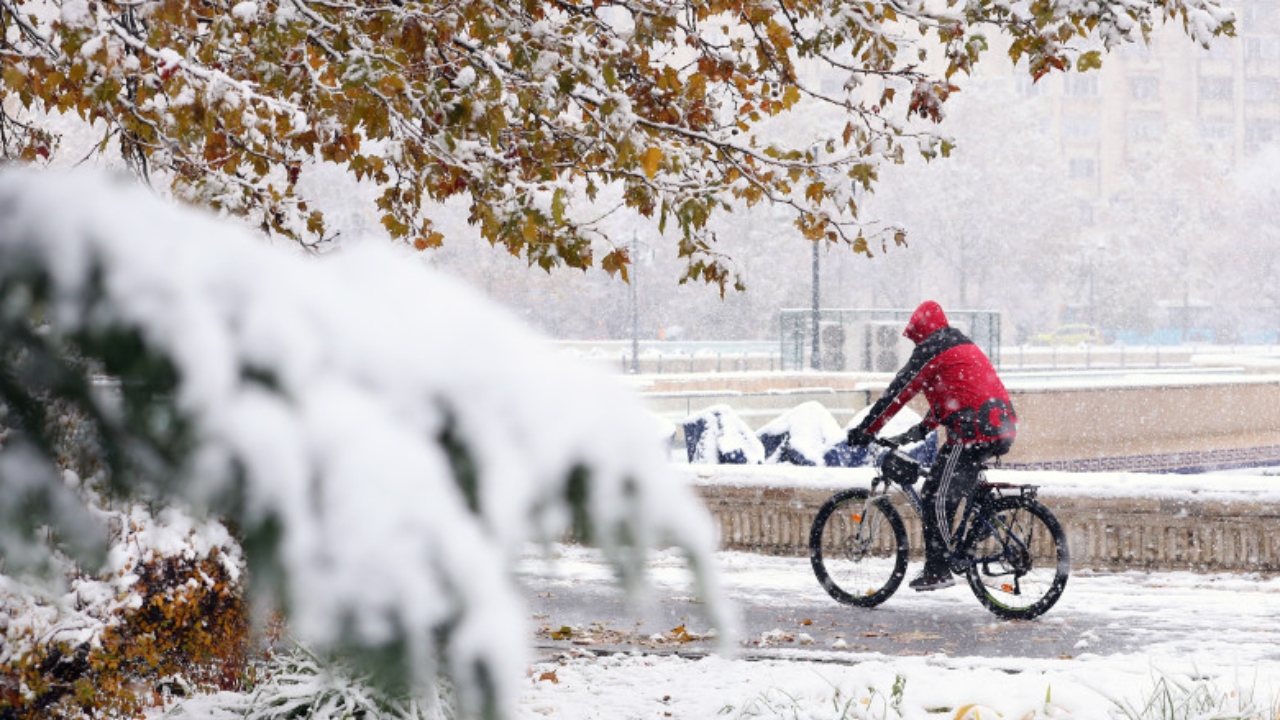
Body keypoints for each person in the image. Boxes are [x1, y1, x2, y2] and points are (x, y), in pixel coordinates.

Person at [846, 301, 1017, 591]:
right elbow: (954, 394)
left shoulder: (931, 349)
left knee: (934, 496)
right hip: (999, 425)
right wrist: (920, 430)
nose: (915, 342)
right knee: (946, 483)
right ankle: (973, 531)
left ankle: (938, 570)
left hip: (971, 432)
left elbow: (898, 392)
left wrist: (867, 429)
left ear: (922, 331)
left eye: (915, 337)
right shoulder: (959, 345)